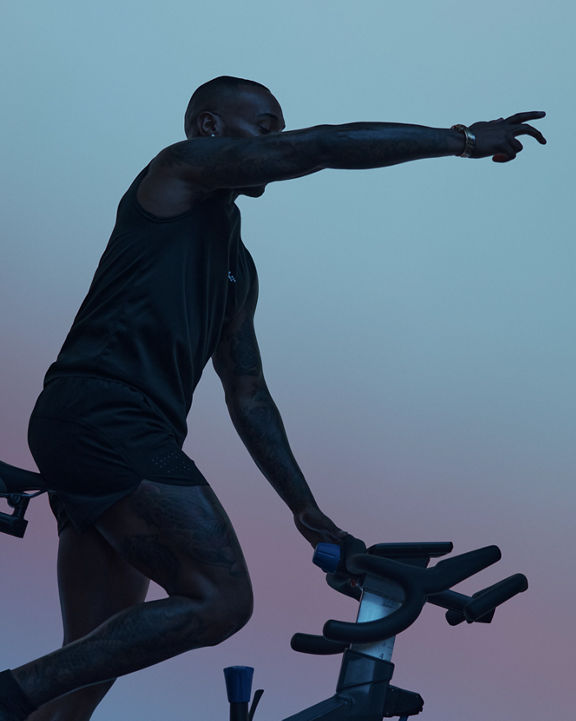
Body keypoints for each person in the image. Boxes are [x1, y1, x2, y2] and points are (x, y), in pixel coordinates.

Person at [0, 75, 546, 721]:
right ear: (209, 127)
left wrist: (305, 509)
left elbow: (249, 392)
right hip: (105, 415)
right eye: (265, 125)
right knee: (220, 601)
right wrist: (458, 140)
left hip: (109, 433)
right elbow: (315, 148)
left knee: (83, 673)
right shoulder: (174, 175)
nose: (277, 138)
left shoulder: (236, 263)